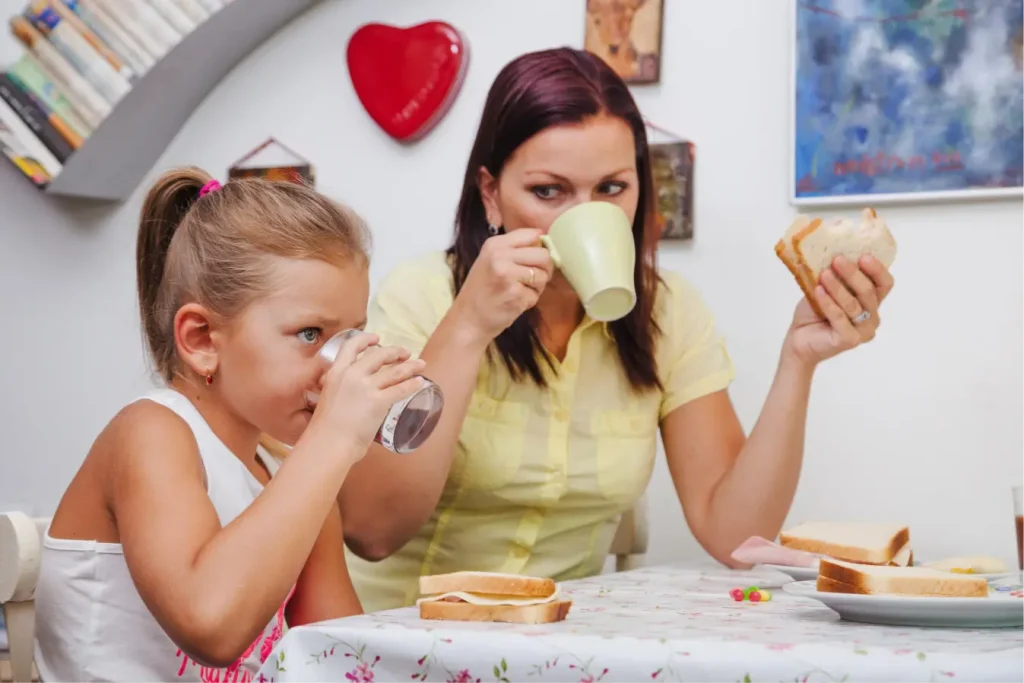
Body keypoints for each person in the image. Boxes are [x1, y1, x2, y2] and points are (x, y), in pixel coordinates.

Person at [336, 47, 895, 613]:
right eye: (548, 191)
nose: (587, 215)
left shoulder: (668, 314)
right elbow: (373, 531)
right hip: (399, 635)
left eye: (611, 189)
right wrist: (467, 328)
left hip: (554, 646)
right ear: (491, 194)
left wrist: (799, 359)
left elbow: (735, 538)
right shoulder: (422, 296)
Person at [34, 169, 426, 681]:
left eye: (353, 335)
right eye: (311, 333)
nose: (339, 363)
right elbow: (211, 627)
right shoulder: (151, 434)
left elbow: (342, 661)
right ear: (201, 339)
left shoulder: (293, 476)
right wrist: (332, 441)